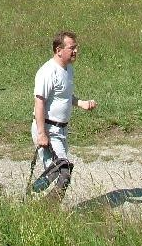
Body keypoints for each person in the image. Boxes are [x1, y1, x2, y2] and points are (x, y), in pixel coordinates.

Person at [31, 30, 97, 200]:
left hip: (61, 131)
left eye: (76, 47)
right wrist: (41, 133)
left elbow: (64, 96)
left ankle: (38, 197)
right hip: (48, 129)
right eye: (71, 48)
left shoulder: (68, 70)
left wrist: (81, 103)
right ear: (59, 50)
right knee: (64, 170)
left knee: (62, 169)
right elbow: (39, 102)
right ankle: (46, 204)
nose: (75, 51)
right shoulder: (48, 72)